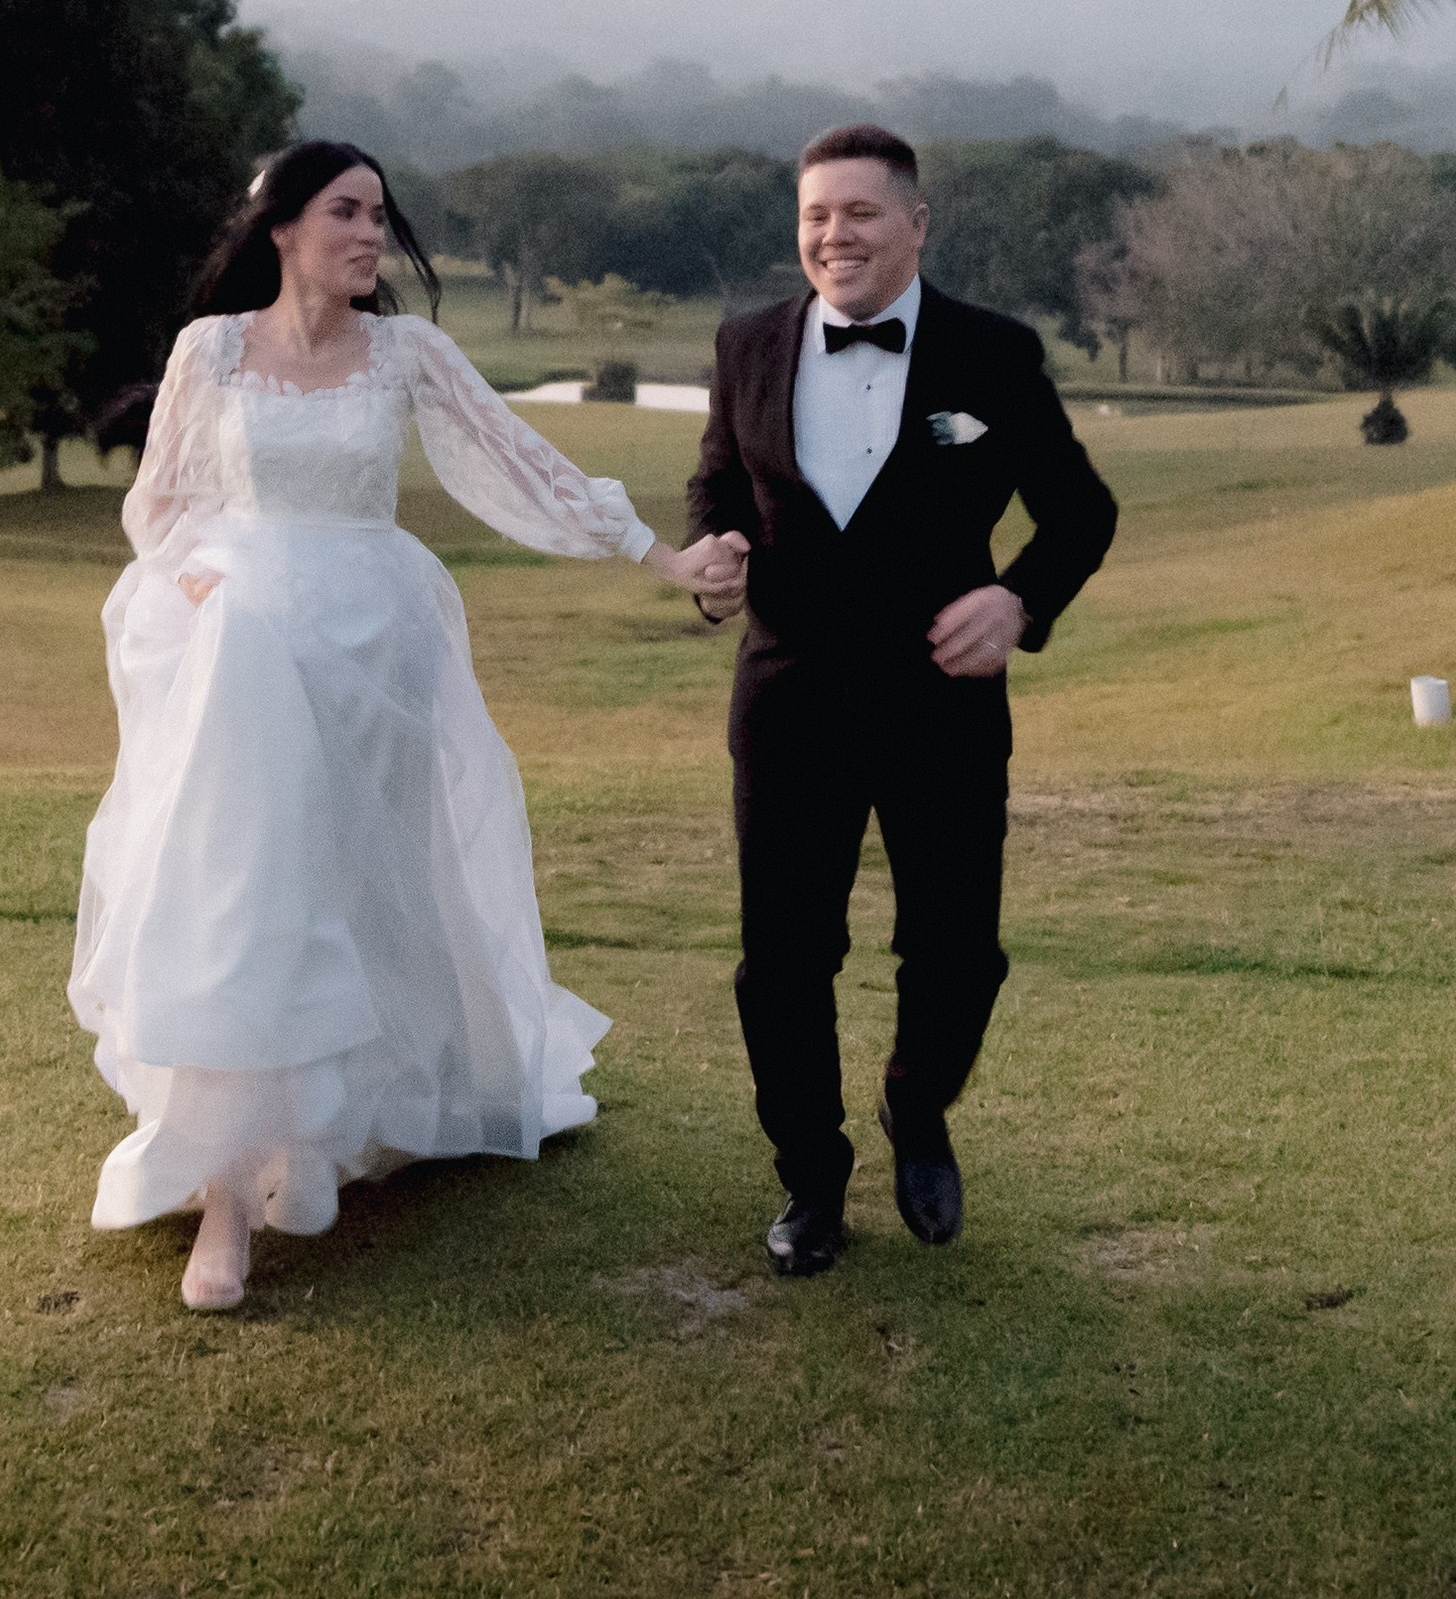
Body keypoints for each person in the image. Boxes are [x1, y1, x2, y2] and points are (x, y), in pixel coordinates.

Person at [68, 139, 746, 1308]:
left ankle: (331, 1131)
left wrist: (664, 553)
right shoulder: (211, 349)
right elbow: (159, 508)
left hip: (376, 650)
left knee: (361, 885)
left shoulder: (408, 352)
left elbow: (523, 465)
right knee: (240, 889)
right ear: (281, 227)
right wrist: (195, 591)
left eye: (381, 214)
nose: (372, 233)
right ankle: (225, 1193)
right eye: (346, 210)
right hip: (237, 650)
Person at [685, 124, 1118, 1278]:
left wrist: (1016, 602)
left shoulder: (993, 352)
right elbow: (719, 481)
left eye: (861, 213)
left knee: (959, 948)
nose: (835, 234)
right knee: (782, 955)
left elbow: (1081, 511)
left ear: (916, 225)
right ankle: (808, 1179)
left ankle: (915, 1110)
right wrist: (711, 550)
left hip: (941, 700)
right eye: (816, 214)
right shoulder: (745, 344)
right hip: (786, 698)